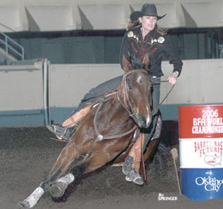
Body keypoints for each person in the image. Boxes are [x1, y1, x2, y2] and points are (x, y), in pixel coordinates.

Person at [47, 3, 183, 185]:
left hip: (152, 81)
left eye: (154, 19)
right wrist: (131, 76)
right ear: (141, 19)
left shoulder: (162, 39)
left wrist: (174, 74)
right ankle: (69, 127)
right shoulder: (130, 36)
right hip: (130, 78)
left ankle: (131, 163)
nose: (151, 22)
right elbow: (122, 58)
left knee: (151, 117)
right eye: (148, 18)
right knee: (93, 93)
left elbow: (177, 62)